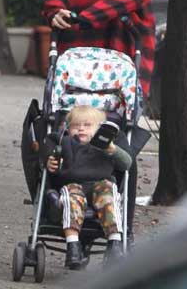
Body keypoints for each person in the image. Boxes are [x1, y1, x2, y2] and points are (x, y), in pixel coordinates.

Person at [38, 0, 156, 245]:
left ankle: (120, 226)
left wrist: (86, 16)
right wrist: (56, 11)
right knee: (74, 128)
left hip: (125, 41)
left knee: (118, 133)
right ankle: (72, 215)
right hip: (78, 47)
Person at [45, 105, 132, 269]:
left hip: (101, 184)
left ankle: (114, 243)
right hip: (74, 185)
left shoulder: (106, 146)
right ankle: (73, 247)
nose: (81, 129)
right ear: (67, 129)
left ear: (99, 129)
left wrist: (111, 149)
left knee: (109, 195)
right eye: (76, 126)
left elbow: (126, 163)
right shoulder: (65, 142)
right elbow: (49, 154)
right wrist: (49, 161)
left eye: (87, 125)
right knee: (71, 197)